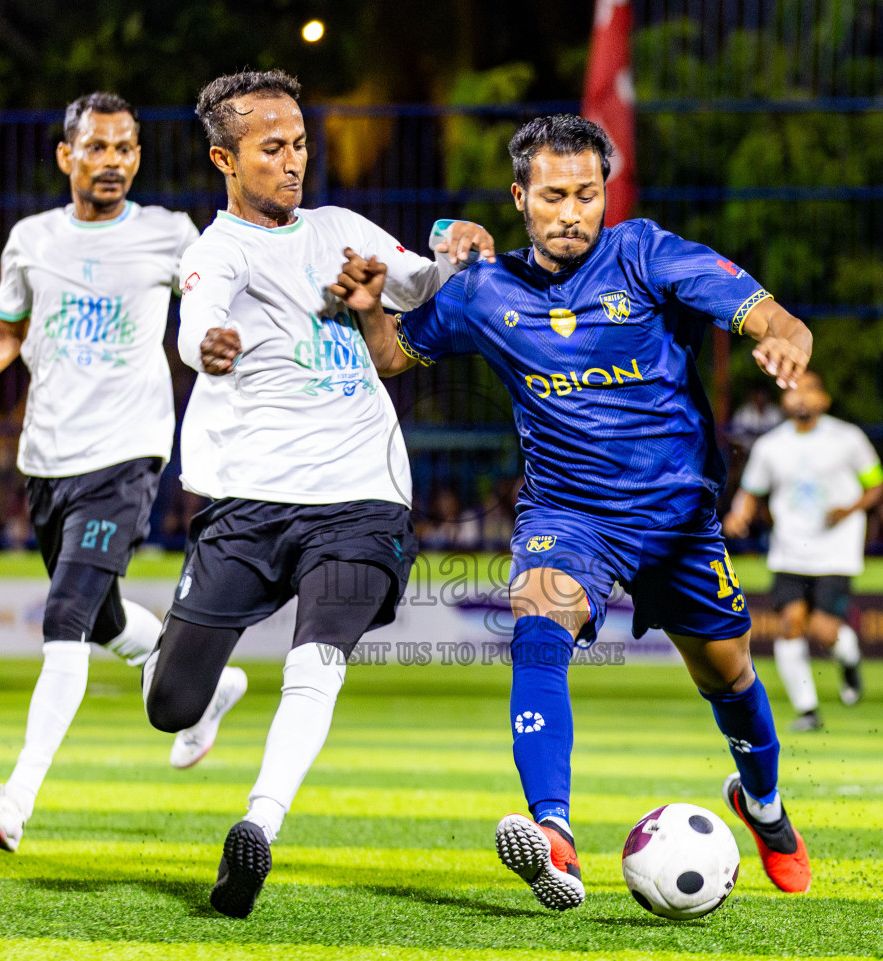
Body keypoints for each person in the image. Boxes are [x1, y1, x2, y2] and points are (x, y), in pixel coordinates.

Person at [334, 114, 814, 909]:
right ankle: (553, 834)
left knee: (727, 670)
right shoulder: (483, 292)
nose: (571, 213)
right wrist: (367, 306)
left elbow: (756, 308)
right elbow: (393, 355)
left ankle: (763, 804)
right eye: (553, 196)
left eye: (586, 195)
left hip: (678, 515)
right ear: (521, 198)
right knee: (537, 617)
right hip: (570, 511)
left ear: (604, 195)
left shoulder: (645, 254)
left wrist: (785, 333)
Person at [140, 69, 494, 919]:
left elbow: (424, 282)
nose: (293, 161)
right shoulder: (214, 251)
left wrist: (460, 248)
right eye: (272, 148)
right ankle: (213, 695)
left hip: (361, 498)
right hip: (249, 502)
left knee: (319, 653)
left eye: (299, 143)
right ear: (225, 158)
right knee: (168, 704)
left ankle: (258, 826)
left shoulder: (340, 229)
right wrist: (207, 345)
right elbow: (198, 319)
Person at [0, 91, 244, 853]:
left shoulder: (168, 234)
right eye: (97, 148)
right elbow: (4, 334)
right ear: (67, 156)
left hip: (127, 455)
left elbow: (219, 298)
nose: (113, 162)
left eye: (126, 148)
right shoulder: (32, 240)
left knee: (63, 618)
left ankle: (16, 798)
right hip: (46, 460)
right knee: (98, 617)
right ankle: (206, 687)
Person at [723, 372, 883, 731]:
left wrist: (850, 509)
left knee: (824, 630)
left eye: (809, 390)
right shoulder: (771, 445)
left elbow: (877, 485)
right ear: (784, 401)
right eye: (793, 391)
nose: (800, 398)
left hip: (836, 549)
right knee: (790, 625)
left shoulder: (847, 438)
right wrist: (739, 514)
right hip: (790, 549)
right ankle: (808, 710)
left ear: (823, 400)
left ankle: (848, 659)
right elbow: (751, 490)